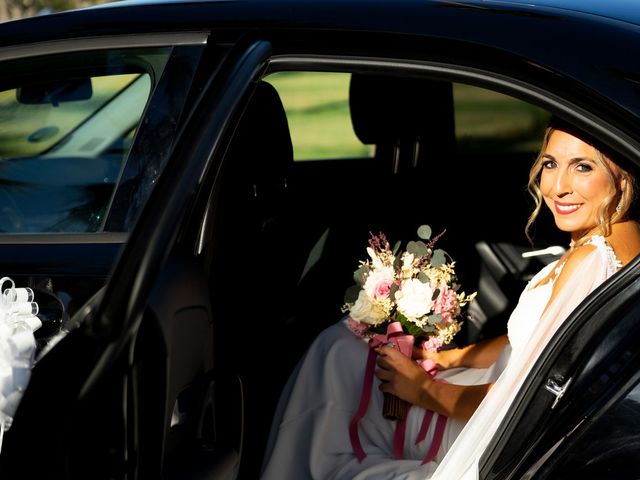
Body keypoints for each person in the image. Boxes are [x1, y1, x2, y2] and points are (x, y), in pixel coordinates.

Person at [260, 117, 640, 480]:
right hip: (491, 393)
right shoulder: (618, 239)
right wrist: (447, 358)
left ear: (622, 175)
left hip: (495, 429)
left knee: (337, 355)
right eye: (551, 164)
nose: (558, 187)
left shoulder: (591, 263)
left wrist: (425, 391)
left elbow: (525, 397)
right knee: (345, 350)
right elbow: (531, 343)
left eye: (583, 168)